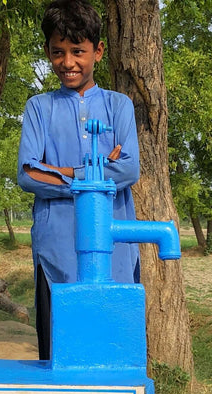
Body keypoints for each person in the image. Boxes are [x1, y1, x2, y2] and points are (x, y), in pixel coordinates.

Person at [17, 0, 140, 361]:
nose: (68, 62)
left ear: (98, 52)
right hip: (56, 252)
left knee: (114, 352)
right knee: (58, 354)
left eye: (77, 51)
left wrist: (60, 171)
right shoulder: (39, 108)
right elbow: (27, 174)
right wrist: (96, 175)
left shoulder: (120, 106)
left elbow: (129, 170)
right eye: (58, 52)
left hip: (114, 252)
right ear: (47, 52)